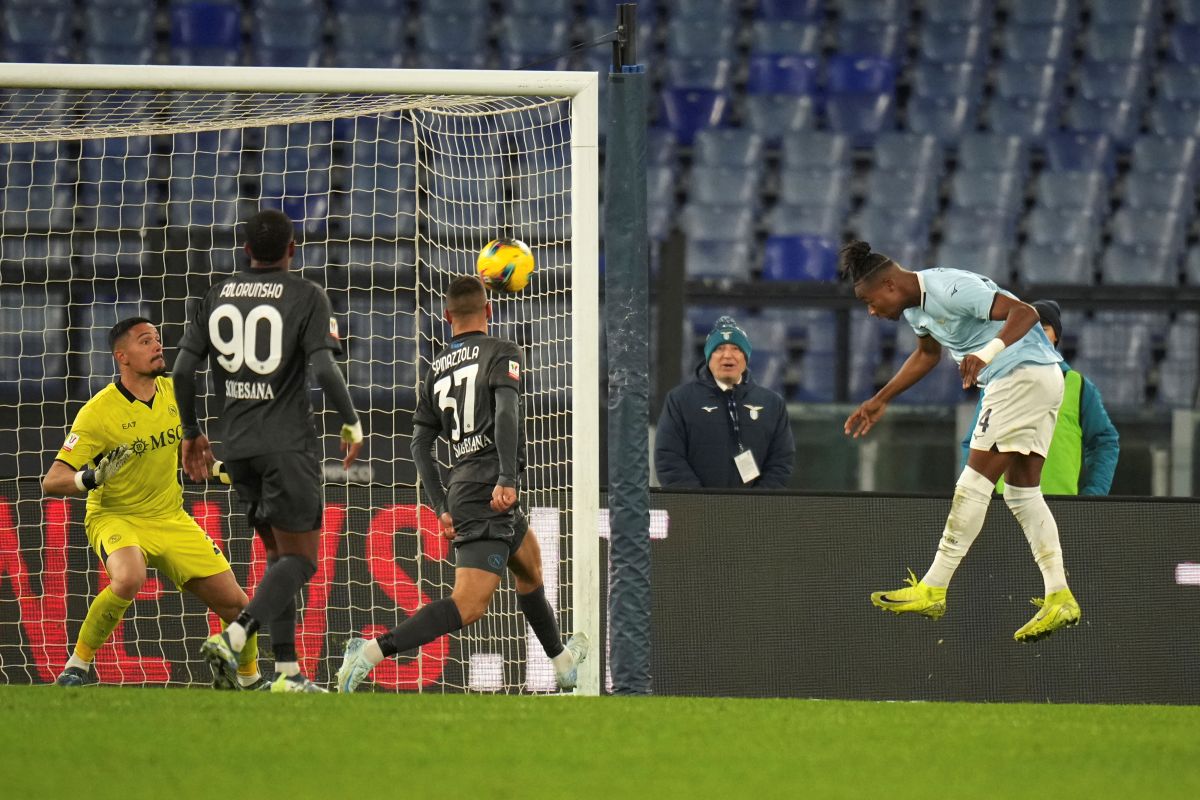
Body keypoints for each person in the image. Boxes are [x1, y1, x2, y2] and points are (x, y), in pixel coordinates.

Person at [334, 275, 588, 693]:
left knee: (530, 564)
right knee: (469, 606)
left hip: (464, 486)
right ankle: (369, 653)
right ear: (489, 311)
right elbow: (507, 413)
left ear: (446, 316)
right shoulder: (502, 351)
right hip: (489, 486)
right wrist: (507, 477)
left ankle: (562, 663)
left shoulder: (435, 371)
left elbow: (419, 445)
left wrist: (440, 505)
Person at [839, 240, 1081, 642]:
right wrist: (880, 399)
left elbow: (1026, 312)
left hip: (1018, 375)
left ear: (889, 287)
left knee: (973, 484)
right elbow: (927, 355)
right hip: (1037, 378)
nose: (871, 311)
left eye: (870, 301)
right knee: (1022, 494)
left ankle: (934, 588)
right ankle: (1059, 594)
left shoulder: (950, 287)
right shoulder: (916, 309)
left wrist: (987, 353)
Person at [173, 208, 364, 693]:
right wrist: (350, 421)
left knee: (279, 556)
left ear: (245, 250)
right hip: (286, 445)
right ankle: (236, 636)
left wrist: (191, 429)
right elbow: (322, 369)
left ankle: (286, 672)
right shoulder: (306, 296)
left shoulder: (215, 295)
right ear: (292, 248)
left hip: (235, 448)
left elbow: (181, 371)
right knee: (300, 561)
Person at [42, 317, 264, 689]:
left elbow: (199, 464)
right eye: (146, 342)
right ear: (122, 356)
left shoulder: (177, 392)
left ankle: (248, 678)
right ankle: (76, 667)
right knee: (129, 578)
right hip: (117, 517)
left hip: (169, 517)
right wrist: (91, 478)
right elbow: (52, 481)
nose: (158, 347)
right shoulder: (98, 413)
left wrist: (236, 474)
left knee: (238, 606)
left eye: (158, 340)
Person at [960, 300, 1119, 495]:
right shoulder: (996, 383)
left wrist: (1093, 494)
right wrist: (981, 493)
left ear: (1056, 337)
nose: (1033, 338)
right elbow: (974, 442)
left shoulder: (1078, 386)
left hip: (1064, 508)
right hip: (1005, 508)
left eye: (1042, 330)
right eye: (1026, 332)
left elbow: (1104, 441)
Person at [655, 315, 794, 488]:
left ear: (746, 357)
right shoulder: (680, 400)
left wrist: (758, 503)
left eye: (736, 348)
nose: (727, 355)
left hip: (754, 512)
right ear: (708, 357)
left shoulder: (772, 404)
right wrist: (698, 503)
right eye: (719, 349)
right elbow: (669, 458)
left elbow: (781, 461)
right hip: (696, 511)